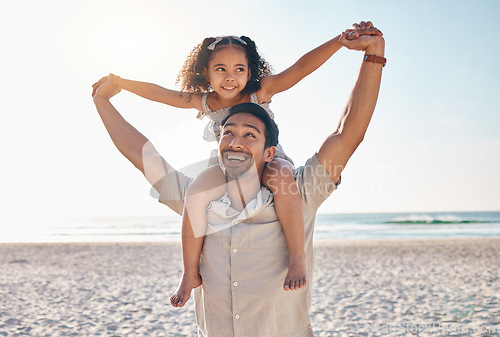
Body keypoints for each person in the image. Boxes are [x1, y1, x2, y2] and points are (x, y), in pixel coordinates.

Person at [92, 20, 385, 337]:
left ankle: (296, 256)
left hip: (280, 177)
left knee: (281, 175)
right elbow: (143, 153)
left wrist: (360, 49)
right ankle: (189, 272)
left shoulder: (298, 190)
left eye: (250, 134)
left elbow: (346, 131)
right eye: (227, 132)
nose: (235, 141)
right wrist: (108, 94)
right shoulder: (200, 196)